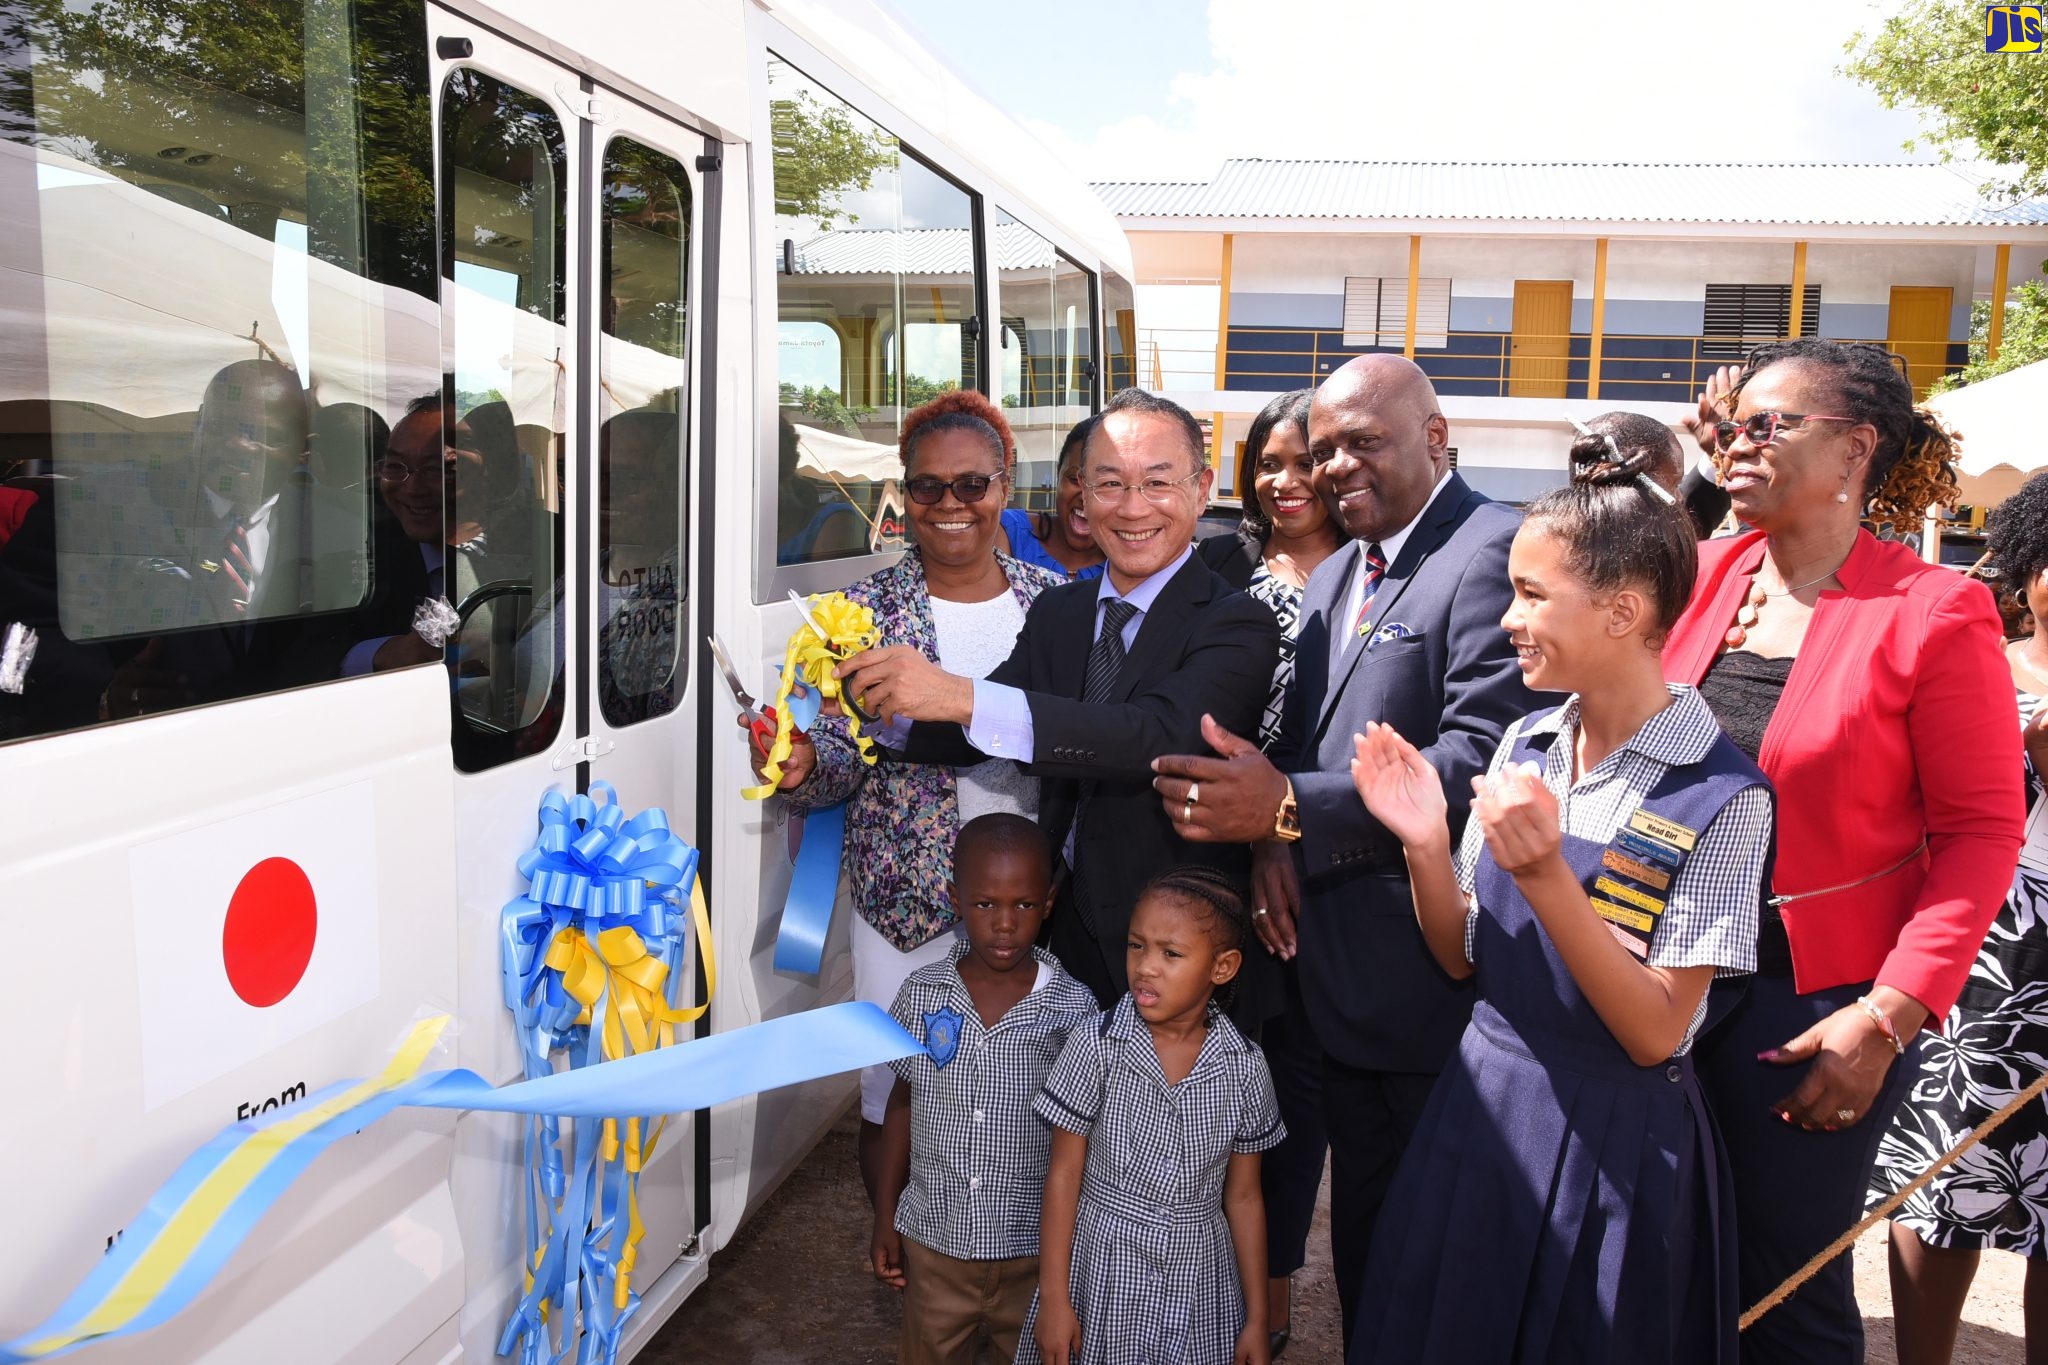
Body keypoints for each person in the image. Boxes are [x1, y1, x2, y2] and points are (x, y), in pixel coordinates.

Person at [1147, 354, 1532, 1348]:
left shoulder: (1490, 552)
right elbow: (1300, 754)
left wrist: (1288, 808)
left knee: (1434, 1247)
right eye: (1322, 451)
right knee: (1366, 1242)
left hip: (1429, 980)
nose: (1333, 469)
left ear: (1434, 439)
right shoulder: (1335, 578)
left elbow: (1477, 759)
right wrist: (1277, 837)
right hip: (1327, 978)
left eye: (1364, 442)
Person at [1347, 467, 1772, 1363]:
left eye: (1532, 594)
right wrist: (1426, 842)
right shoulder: (1528, 740)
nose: (1509, 617)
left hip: (1613, 1142)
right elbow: (1463, 956)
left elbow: (1657, 1030)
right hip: (1486, 1098)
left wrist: (1544, 876)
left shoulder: (1722, 794)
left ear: (1621, 611)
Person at [1663, 338, 2025, 1364]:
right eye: (1732, 422)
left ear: (1854, 449)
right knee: (1665, 1253)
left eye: (1768, 425)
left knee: (1780, 1287)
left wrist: (1884, 1018)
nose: (1739, 440)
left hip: (1810, 1006)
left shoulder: (1932, 611)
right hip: (1662, 977)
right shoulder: (1699, 573)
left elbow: (1978, 834)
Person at [834, 386, 1282, 1020]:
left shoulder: (1238, 623)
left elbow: (1156, 737)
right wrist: (879, 712)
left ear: (1201, 487)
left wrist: (956, 693)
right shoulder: (1060, 611)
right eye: (1108, 485)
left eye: (1157, 483)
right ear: (1080, 492)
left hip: (1171, 946)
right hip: (1057, 936)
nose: (1131, 509)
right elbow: (984, 727)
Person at [768, 388, 1063, 1209]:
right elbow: (836, 758)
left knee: (1026, 1085)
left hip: (1041, 896)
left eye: (972, 485)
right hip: (905, 896)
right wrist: (801, 770)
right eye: (928, 486)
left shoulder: (1058, 606)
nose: (950, 505)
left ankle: (1005, 1265)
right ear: (903, 493)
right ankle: (904, 1258)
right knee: (895, 1085)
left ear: (1005, 487)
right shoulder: (858, 615)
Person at [1868, 467, 2048, 1365]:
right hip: (1985, 942)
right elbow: (1946, 805)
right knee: (1944, 1174)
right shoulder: (1982, 660)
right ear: (2026, 569)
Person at [1192, 386, 1345, 1352]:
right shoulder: (1220, 562)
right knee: (1226, 1068)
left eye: (1306, 461)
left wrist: (1289, 832)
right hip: (1217, 855)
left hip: (1337, 856)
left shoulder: (1381, 569)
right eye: (1269, 462)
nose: (1286, 482)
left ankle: (1276, 1277)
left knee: (1305, 1082)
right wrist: (1251, 841)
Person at [1023, 867, 1284, 1365]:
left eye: (1171, 954)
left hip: (1198, 1285)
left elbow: (1246, 1197)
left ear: (1223, 967)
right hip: (1101, 1277)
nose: (1146, 967)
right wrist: (1055, 1300)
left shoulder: (1245, 1069)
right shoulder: (1095, 1047)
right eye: (1136, 945)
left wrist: (1256, 1317)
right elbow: (1062, 1174)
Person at [872, 814, 1099, 1365]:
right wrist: (885, 1213)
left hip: (1032, 1255)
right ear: (955, 898)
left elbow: (1083, 1142)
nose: (1004, 924)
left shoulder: (1073, 1009)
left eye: (1023, 905)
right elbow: (901, 1103)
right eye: (984, 904)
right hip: (935, 1247)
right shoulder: (922, 993)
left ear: (1048, 903)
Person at [1002, 416, 1106, 581]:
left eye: (1104, 484)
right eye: (1074, 480)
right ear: (1059, 473)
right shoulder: (1008, 532)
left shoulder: (1129, 561)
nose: (1086, 496)